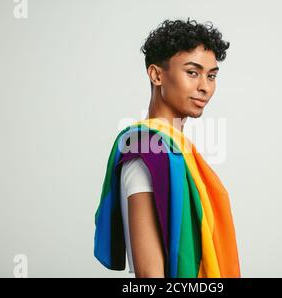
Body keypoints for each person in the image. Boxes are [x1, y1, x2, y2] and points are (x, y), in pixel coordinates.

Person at [94, 18, 240, 278]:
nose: (205, 87)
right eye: (192, 72)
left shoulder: (178, 151)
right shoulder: (145, 153)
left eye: (212, 75)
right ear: (156, 74)